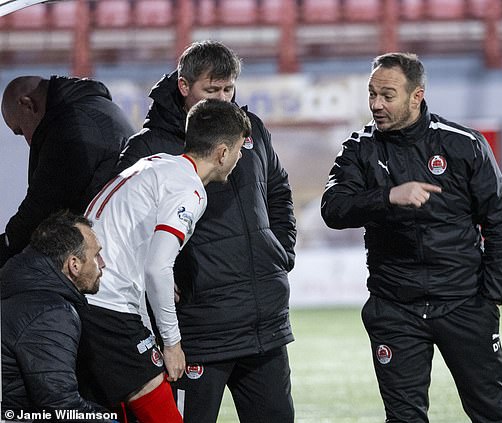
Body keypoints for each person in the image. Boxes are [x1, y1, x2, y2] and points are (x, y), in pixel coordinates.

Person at [321, 52, 502, 423]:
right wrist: (388, 196)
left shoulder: (463, 145)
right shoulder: (359, 148)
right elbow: (332, 209)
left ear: (417, 96)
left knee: (490, 412)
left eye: (387, 95)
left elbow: (499, 221)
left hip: (463, 303)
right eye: (372, 94)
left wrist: (492, 295)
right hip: (395, 307)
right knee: (404, 417)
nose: (377, 104)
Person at [115, 40, 297, 422]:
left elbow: (279, 191)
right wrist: (165, 277)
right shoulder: (147, 149)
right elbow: (121, 231)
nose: (224, 98)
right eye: (211, 90)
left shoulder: (251, 131)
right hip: (198, 328)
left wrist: (280, 251)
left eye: (228, 89)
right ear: (184, 86)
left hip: (263, 322)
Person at [78, 98, 250, 423]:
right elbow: (157, 267)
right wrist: (172, 343)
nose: (241, 157)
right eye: (240, 149)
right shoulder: (191, 192)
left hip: (84, 301)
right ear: (223, 153)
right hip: (109, 311)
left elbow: (139, 258)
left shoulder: (157, 163)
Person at [0, 75, 134, 268]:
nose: (28, 141)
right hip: (118, 248)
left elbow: (41, 211)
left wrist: (6, 245)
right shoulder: (96, 108)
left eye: (20, 130)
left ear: (27, 104)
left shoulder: (72, 126)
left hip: (104, 262)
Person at [1, 211, 114, 422]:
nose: (102, 264)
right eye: (96, 255)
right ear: (74, 264)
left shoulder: (20, 290)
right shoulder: (50, 312)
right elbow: (62, 408)